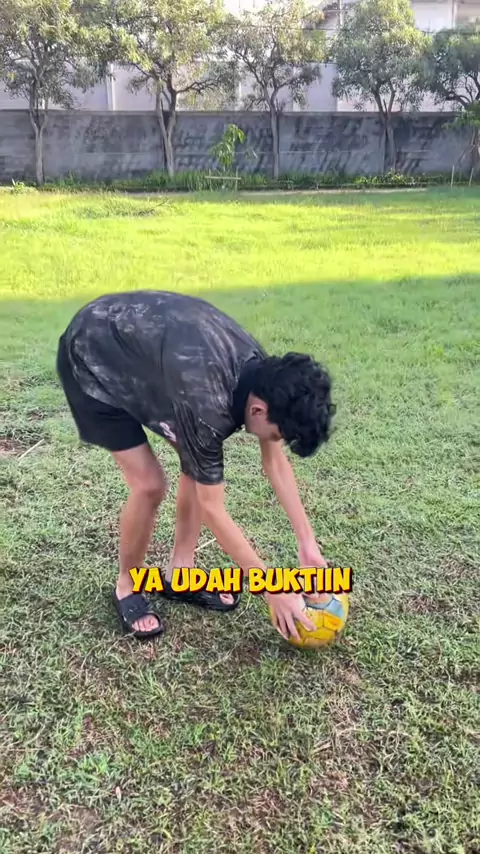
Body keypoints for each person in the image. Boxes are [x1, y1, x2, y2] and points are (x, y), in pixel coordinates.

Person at [56, 290, 336, 643]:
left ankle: (180, 574)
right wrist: (270, 588)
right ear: (258, 411)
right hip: (92, 354)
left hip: (148, 354)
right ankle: (127, 584)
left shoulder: (265, 377)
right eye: (278, 435)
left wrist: (307, 543)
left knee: (196, 462)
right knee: (149, 485)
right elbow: (213, 509)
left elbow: (275, 463)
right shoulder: (208, 406)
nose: (275, 442)